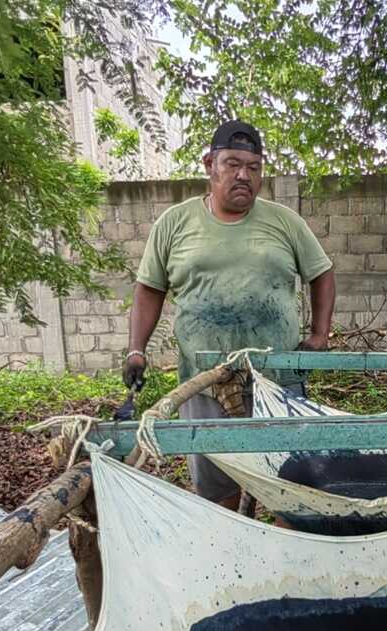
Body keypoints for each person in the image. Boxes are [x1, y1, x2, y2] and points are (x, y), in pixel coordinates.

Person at [124, 120, 336, 511]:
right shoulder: (174, 224)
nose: (244, 175)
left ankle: (286, 558)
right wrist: (136, 350)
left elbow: (321, 273)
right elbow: (149, 289)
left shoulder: (285, 222)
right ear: (209, 164)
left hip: (278, 381)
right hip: (204, 384)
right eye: (232, 164)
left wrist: (320, 334)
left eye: (254, 167)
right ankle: (234, 558)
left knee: (290, 488)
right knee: (219, 490)